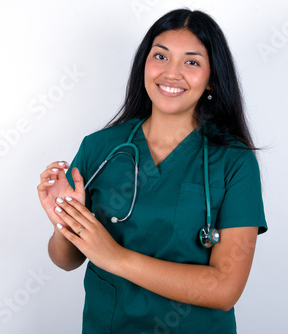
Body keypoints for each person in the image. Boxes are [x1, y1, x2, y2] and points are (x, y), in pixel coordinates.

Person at [37, 8, 267, 333]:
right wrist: (64, 223)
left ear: (212, 77)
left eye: (191, 62)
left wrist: (116, 257)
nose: (171, 73)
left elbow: (225, 290)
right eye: (160, 56)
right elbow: (66, 260)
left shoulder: (235, 162)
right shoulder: (100, 148)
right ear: (144, 63)